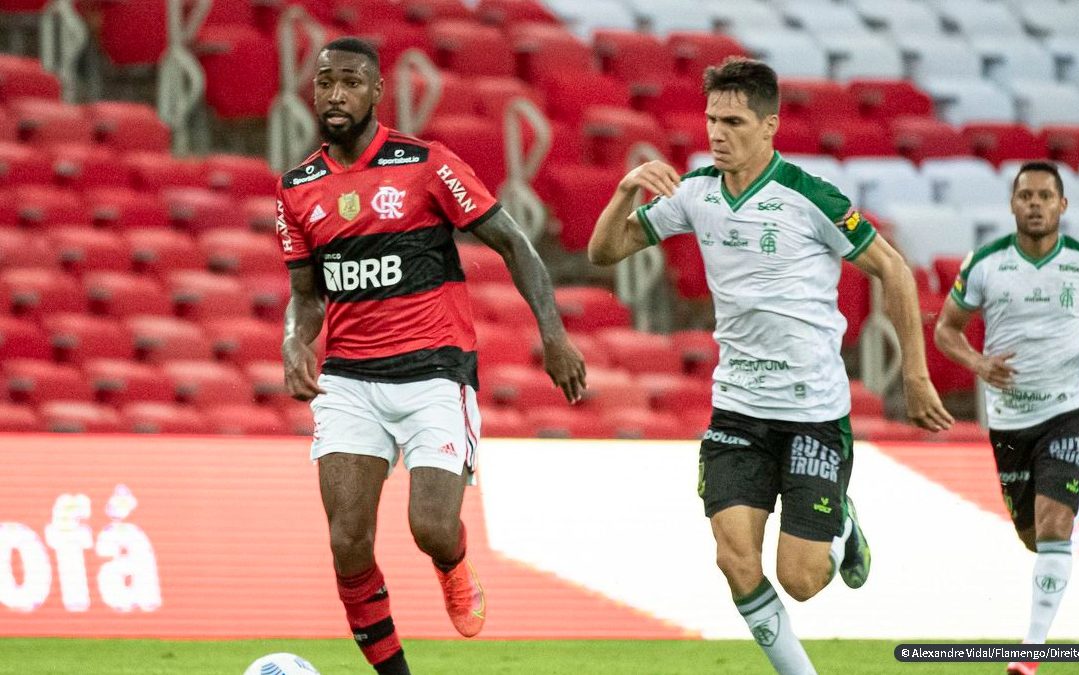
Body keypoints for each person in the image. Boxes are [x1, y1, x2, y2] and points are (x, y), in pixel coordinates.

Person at [588, 57, 953, 674]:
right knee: (734, 561)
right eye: (711, 119)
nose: (716, 133)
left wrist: (915, 375)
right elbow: (605, 252)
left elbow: (891, 268)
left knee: (803, 580)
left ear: (770, 126)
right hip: (736, 408)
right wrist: (626, 189)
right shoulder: (695, 194)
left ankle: (841, 521)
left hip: (812, 413)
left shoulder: (809, 196)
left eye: (732, 121)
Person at [276, 37, 586, 674]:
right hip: (351, 379)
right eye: (325, 82)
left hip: (434, 373)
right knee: (348, 543)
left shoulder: (426, 164)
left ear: (377, 91)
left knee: (432, 528)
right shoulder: (297, 189)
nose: (336, 95)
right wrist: (292, 342)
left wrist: (553, 334)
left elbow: (515, 244)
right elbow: (306, 296)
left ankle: (453, 564)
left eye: (351, 83)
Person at [934, 161, 1079, 675]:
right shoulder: (984, 264)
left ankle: (1032, 650)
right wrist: (979, 363)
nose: (1035, 204)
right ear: (1012, 204)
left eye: (1045, 196)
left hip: (1070, 410)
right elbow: (946, 330)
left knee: (1052, 527)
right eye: (1025, 195)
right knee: (1034, 535)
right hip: (1010, 418)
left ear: (1062, 205)